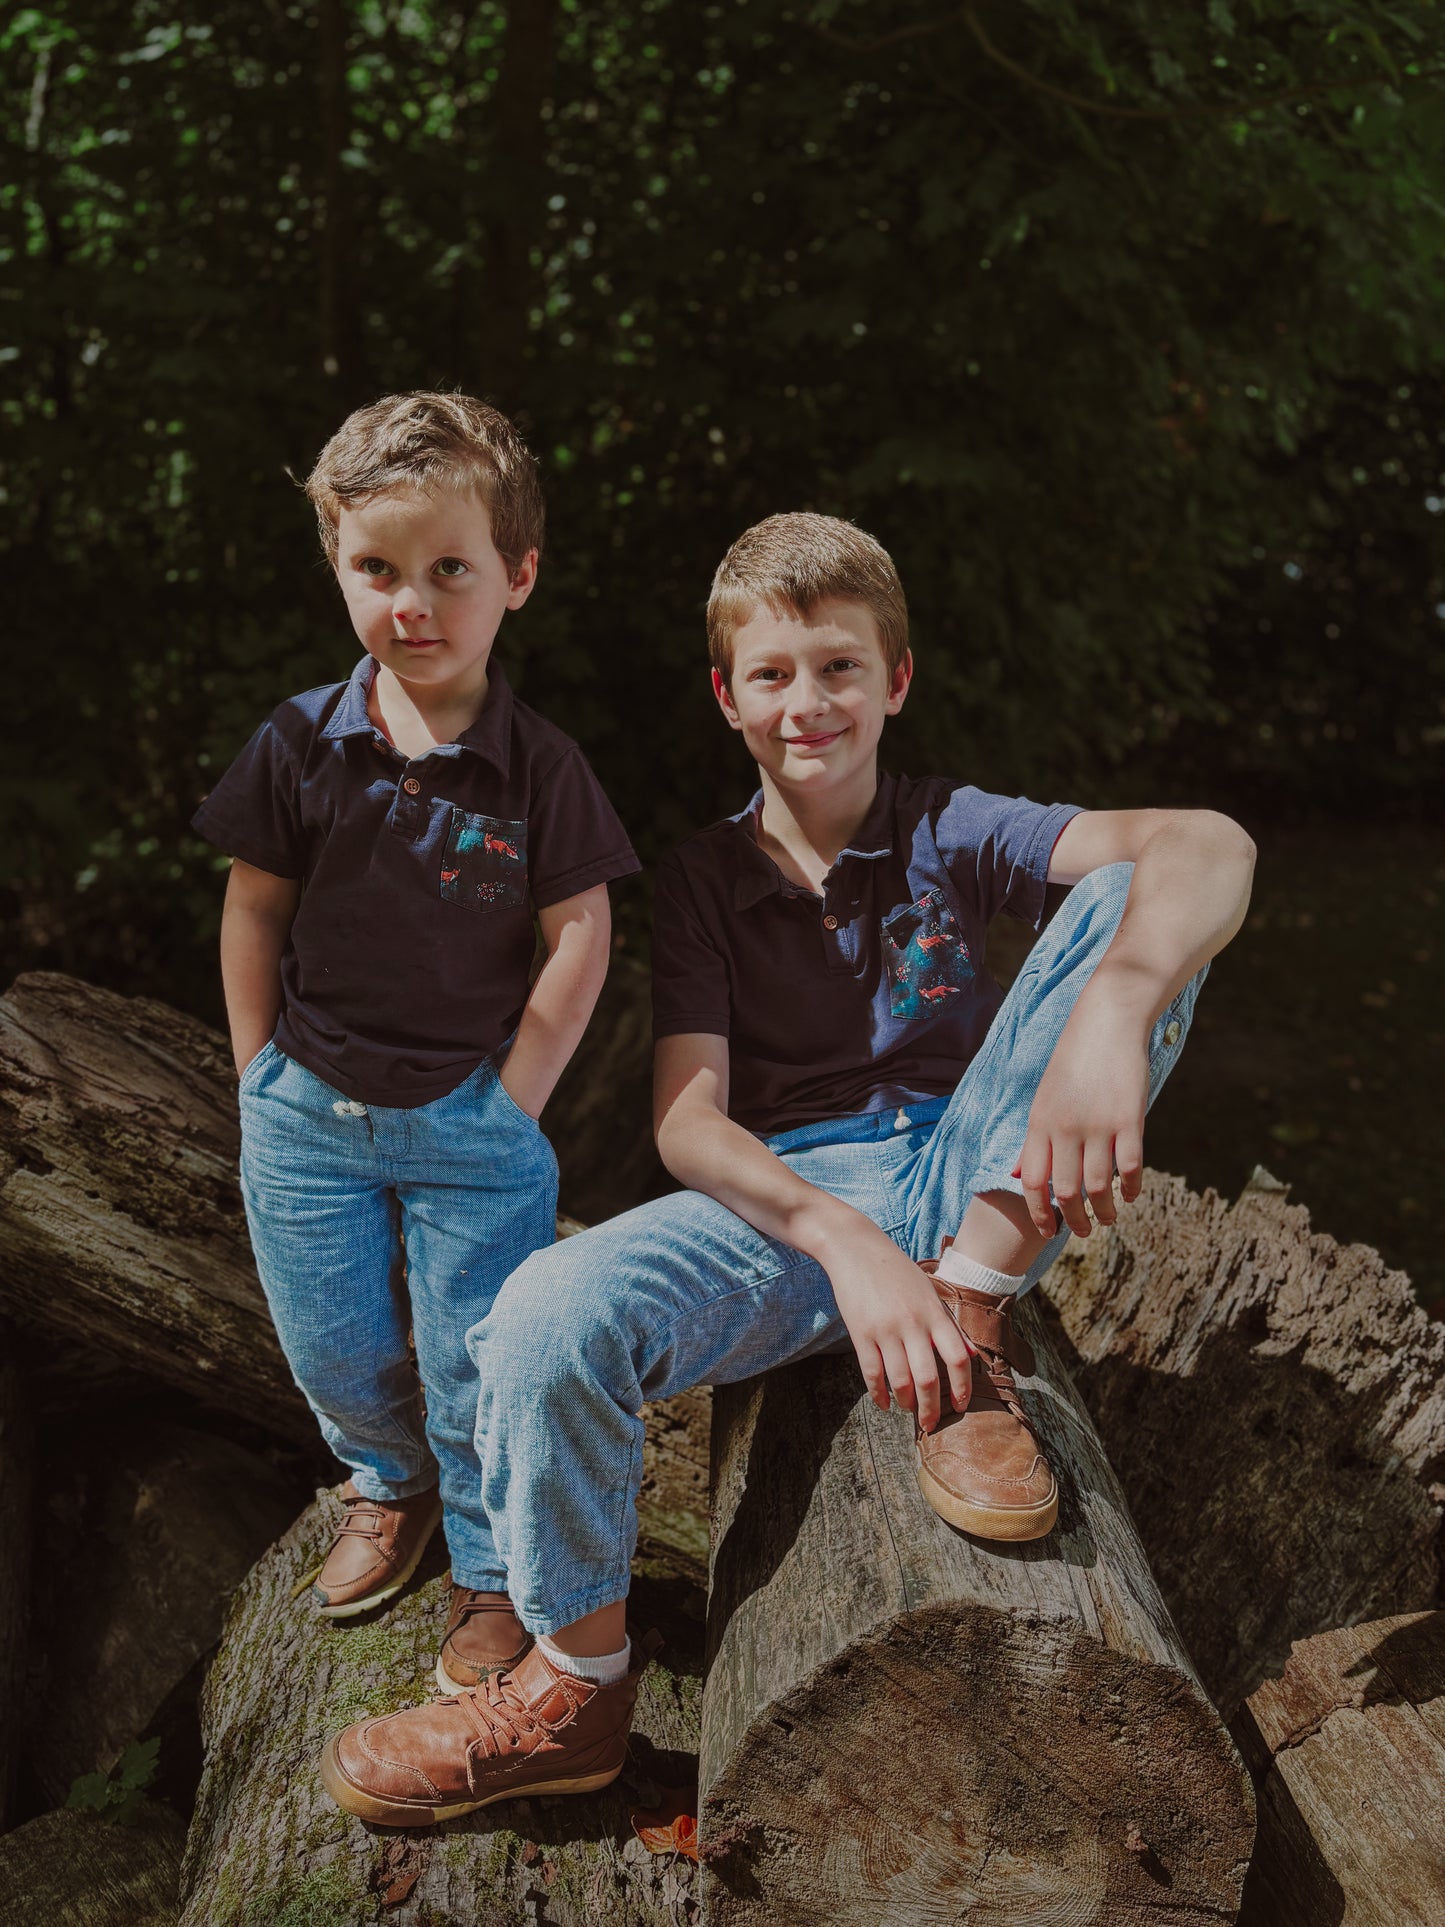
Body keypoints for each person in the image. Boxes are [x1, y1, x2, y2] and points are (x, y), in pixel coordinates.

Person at [320, 510, 1255, 1825]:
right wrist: (846, 1242)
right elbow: (689, 1125)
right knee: (538, 1314)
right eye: (771, 674)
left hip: (974, 1175)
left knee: (1132, 896)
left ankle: (968, 1317)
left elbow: (1213, 842)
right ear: (728, 697)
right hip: (797, 1202)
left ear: (895, 681)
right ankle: (577, 1687)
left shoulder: (953, 826)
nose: (806, 703)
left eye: (838, 667)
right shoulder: (705, 877)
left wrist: (1114, 1012)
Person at [193, 390, 639, 1695]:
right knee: (331, 1341)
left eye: (451, 569)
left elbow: (581, 933)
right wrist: (256, 1070)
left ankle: (494, 1567)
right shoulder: (301, 741)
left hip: (469, 1123)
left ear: (518, 577)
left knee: (476, 1360)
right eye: (376, 569)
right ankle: (387, 1485)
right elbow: (253, 908)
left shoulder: (540, 769)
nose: (413, 604)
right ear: (339, 569)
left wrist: (516, 1099)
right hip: (308, 1113)